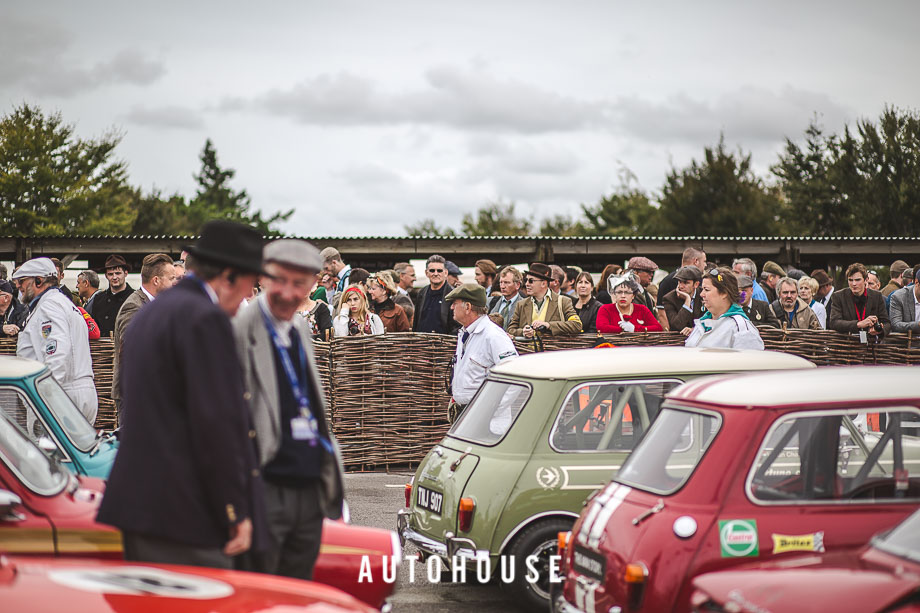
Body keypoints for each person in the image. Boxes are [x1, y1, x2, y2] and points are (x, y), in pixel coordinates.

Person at [97, 220, 267, 569]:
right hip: (185, 511)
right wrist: (235, 508)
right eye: (251, 284)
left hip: (139, 505)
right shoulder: (205, 319)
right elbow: (215, 424)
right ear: (230, 275)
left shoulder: (151, 311)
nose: (250, 296)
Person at [232, 239, 345, 581]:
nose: (288, 292)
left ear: (314, 283)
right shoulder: (237, 332)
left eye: (300, 283)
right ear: (263, 278)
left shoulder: (298, 329)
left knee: (298, 592)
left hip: (309, 488)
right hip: (265, 489)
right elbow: (225, 426)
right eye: (280, 280)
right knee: (262, 591)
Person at [12, 258, 98, 424]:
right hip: (71, 392)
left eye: (22, 281)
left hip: (62, 396)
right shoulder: (61, 303)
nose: (18, 287)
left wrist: (44, 399)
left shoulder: (49, 306)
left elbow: (57, 352)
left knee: (49, 450)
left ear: (39, 281)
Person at [112, 254, 179, 418]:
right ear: (156, 280)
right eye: (171, 279)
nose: (175, 283)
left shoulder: (158, 305)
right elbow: (132, 354)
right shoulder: (134, 307)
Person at [446, 284, 518, 424]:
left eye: (455, 303)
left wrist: (492, 409)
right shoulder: (465, 333)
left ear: (467, 307)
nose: (451, 307)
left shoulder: (494, 336)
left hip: (487, 421)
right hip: (466, 415)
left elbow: (516, 378)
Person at [684, 268, 764, 350]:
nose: (701, 294)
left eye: (706, 290)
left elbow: (751, 361)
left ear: (724, 293)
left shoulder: (741, 328)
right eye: (702, 289)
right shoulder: (701, 323)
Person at [507, 263, 582, 338]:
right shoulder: (521, 304)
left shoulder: (563, 301)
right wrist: (523, 332)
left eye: (531, 281)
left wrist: (549, 325)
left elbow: (577, 325)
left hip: (553, 349)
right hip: (527, 349)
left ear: (543, 283)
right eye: (526, 280)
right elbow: (510, 329)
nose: (526, 284)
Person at [829, 263, 890, 341]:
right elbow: (834, 322)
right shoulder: (838, 296)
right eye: (850, 280)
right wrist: (858, 324)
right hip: (846, 345)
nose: (854, 284)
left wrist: (879, 330)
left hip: (871, 345)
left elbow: (887, 323)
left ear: (866, 280)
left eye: (857, 280)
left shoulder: (876, 296)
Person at [596, 274, 663, 334]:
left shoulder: (642, 309)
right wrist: (622, 329)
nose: (623, 296)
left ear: (633, 295)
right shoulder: (605, 309)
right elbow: (601, 328)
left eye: (627, 292)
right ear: (614, 294)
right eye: (619, 292)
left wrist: (634, 328)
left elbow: (658, 328)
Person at [87, 254, 133, 337]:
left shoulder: (134, 297)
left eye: (118, 273)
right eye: (111, 274)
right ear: (106, 276)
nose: (114, 277)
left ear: (125, 273)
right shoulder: (98, 299)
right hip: (102, 348)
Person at [413, 255, 458, 334]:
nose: (436, 273)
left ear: (446, 273)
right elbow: (416, 322)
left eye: (439, 270)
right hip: (421, 343)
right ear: (426, 273)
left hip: (444, 343)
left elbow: (457, 325)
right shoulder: (421, 293)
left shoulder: (453, 295)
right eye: (432, 270)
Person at [660, 266, 704, 332]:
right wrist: (687, 301)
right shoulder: (669, 298)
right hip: (679, 339)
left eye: (686, 283)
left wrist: (694, 330)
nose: (681, 286)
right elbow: (677, 326)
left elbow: (711, 320)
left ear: (696, 284)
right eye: (680, 282)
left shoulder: (703, 295)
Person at [488, 266, 523, 331]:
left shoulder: (524, 305)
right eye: (501, 282)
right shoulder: (490, 302)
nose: (502, 286)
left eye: (507, 282)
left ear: (517, 285)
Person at [889, 266, 920, 334]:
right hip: (904, 342)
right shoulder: (898, 297)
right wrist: (918, 325)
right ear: (916, 282)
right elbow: (895, 325)